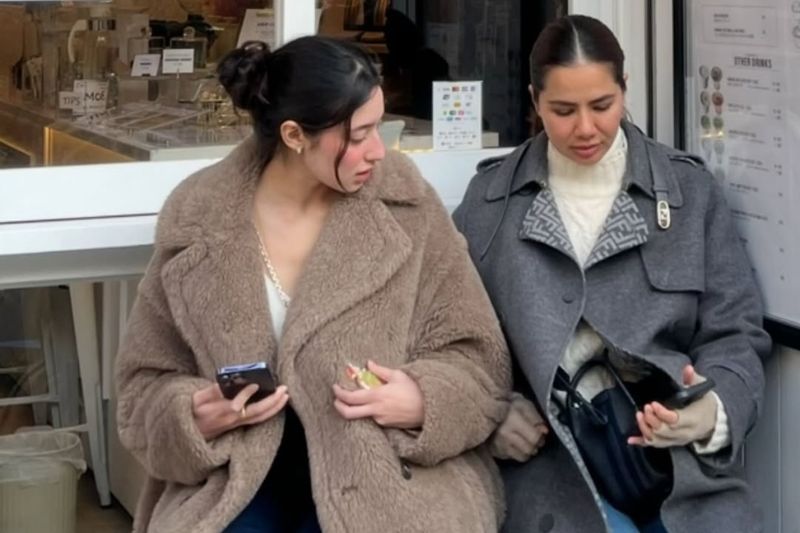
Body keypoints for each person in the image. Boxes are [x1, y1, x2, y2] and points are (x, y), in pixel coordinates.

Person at [115, 36, 510, 533]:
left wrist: (423, 400)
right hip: (236, 479)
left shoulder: (407, 209)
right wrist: (192, 417)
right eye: (360, 135)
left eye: (380, 127)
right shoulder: (199, 220)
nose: (379, 152)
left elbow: (478, 356)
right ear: (295, 135)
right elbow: (143, 386)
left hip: (388, 475)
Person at [453, 15, 770, 533]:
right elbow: (452, 342)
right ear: (534, 101)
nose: (585, 128)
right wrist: (492, 415)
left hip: (680, 467)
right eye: (563, 110)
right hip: (550, 469)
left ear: (625, 88)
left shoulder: (688, 194)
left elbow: (735, 332)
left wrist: (713, 410)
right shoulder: (490, 204)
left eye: (602, 105)